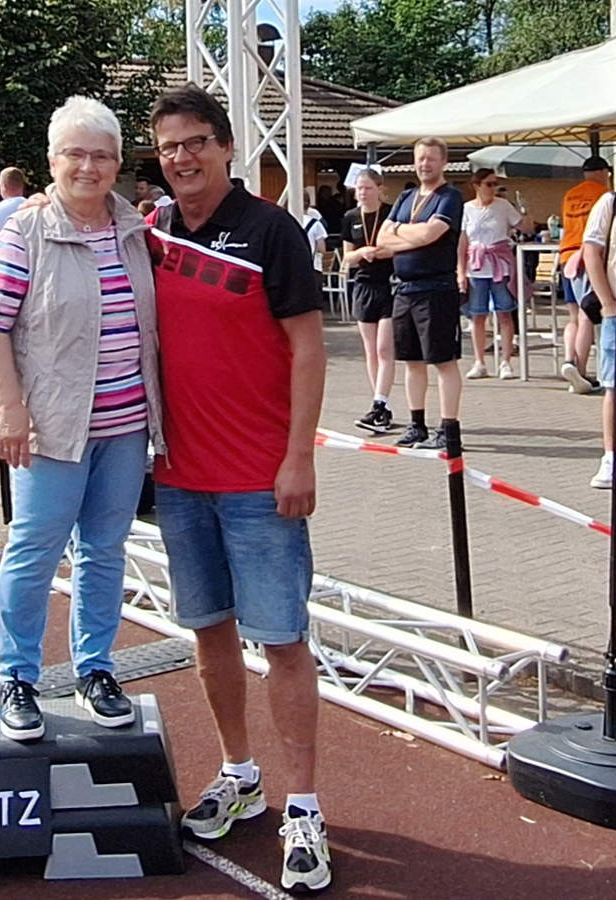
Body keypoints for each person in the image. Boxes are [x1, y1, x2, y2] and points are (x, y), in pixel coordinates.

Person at [147, 84, 331, 893]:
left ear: (226, 147)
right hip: (181, 478)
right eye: (168, 147)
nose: (181, 158)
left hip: (260, 480)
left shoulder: (271, 230)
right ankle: (238, 773)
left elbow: (310, 349)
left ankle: (305, 810)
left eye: (195, 143)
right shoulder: (148, 231)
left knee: (283, 641)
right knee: (209, 634)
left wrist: (300, 457)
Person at [0, 95, 163, 742]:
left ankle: (95, 668)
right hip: (53, 429)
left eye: (102, 155)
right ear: (53, 160)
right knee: (34, 551)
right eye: (76, 154)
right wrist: (10, 409)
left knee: (104, 551)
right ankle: (17, 677)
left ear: (118, 163)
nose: (89, 167)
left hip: (125, 426)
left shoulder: (137, 229)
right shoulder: (22, 233)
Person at [375, 137, 465, 450]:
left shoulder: (450, 196)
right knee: (411, 361)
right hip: (404, 288)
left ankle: (449, 429)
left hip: (436, 289)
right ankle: (417, 425)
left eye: (430, 158)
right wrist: (410, 235)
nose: (424, 164)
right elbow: (382, 239)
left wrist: (402, 233)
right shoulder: (406, 196)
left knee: (443, 360)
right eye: (420, 158)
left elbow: (432, 233)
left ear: (443, 162)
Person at [341, 167, 399, 434]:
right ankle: (381, 407)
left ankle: (379, 402)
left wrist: (382, 252)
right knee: (370, 351)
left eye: (367, 188)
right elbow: (348, 257)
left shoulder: (390, 214)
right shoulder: (350, 217)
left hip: (389, 284)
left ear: (379, 189)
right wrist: (362, 252)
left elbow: (400, 246)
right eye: (359, 188)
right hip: (363, 286)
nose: (362, 193)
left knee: (385, 349)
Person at [458, 168, 522, 380]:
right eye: (489, 184)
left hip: (499, 264)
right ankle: (479, 361)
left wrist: (523, 210)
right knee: (478, 315)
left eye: (495, 184)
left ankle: (505, 361)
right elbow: (462, 242)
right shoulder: (466, 209)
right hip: (476, 266)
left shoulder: (503, 206)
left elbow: (524, 225)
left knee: (504, 312)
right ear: (477, 186)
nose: (493, 188)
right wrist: (460, 271)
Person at [559, 156, 612, 393]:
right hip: (586, 257)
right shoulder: (604, 195)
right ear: (604, 172)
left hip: (565, 256)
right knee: (586, 315)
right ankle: (578, 369)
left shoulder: (570, 194)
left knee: (573, 316)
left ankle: (570, 359)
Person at [582, 188, 616, 489]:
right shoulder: (612, 202)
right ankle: (610, 456)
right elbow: (590, 251)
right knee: (614, 385)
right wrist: (607, 302)